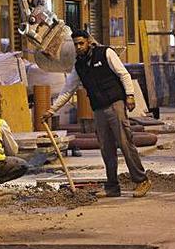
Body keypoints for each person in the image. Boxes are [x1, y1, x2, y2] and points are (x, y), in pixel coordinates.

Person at [42, 29, 151, 198]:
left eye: (81, 43)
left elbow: (124, 74)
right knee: (106, 149)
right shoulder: (79, 66)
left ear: (89, 42)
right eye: (76, 44)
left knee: (125, 143)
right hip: (98, 109)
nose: (78, 47)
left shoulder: (105, 53)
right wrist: (51, 110)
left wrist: (130, 95)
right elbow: (67, 90)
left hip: (115, 104)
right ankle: (112, 187)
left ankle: (141, 180)